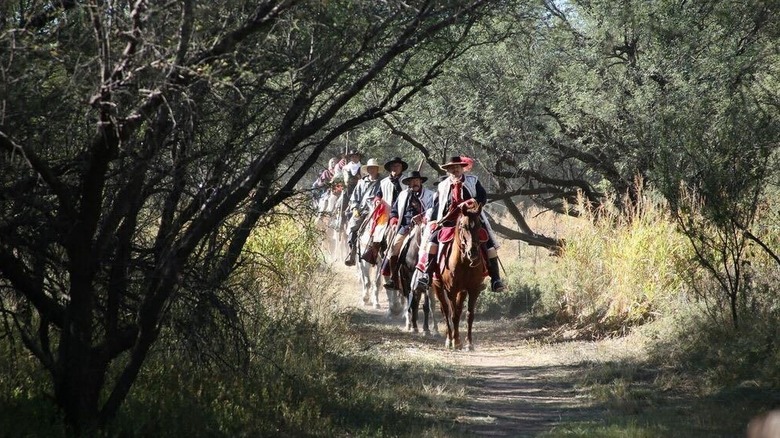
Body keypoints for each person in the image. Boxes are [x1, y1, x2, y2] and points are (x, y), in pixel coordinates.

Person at [421, 156, 506, 292]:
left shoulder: (473, 181)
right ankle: (427, 275)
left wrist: (471, 203)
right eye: (452, 168)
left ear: (462, 168)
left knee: (489, 243)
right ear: (448, 170)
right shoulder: (443, 186)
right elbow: (438, 205)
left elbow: (482, 197)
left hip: (471, 219)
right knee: (431, 243)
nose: (455, 170)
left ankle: (495, 279)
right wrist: (434, 221)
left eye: (458, 167)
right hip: (449, 221)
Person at [382, 170, 437, 290]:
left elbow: (432, 211)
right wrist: (394, 221)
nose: (414, 183)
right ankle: (394, 278)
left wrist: (422, 217)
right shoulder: (403, 195)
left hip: (423, 226)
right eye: (412, 181)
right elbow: (394, 212)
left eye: (416, 180)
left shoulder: (430, 195)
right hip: (405, 227)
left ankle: (433, 276)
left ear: (421, 181)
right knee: (394, 248)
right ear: (408, 183)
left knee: (434, 246)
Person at [344, 158, 382, 266]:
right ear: (367, 169)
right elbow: (354, 198)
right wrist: (355, 209)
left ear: (377, 169)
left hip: (378, 210)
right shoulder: (361, 183)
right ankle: (352, 252)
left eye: (374, 168)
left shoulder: (383, 182)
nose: (372, 170)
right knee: (353, 226)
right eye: (370, 168)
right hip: (363, 210)